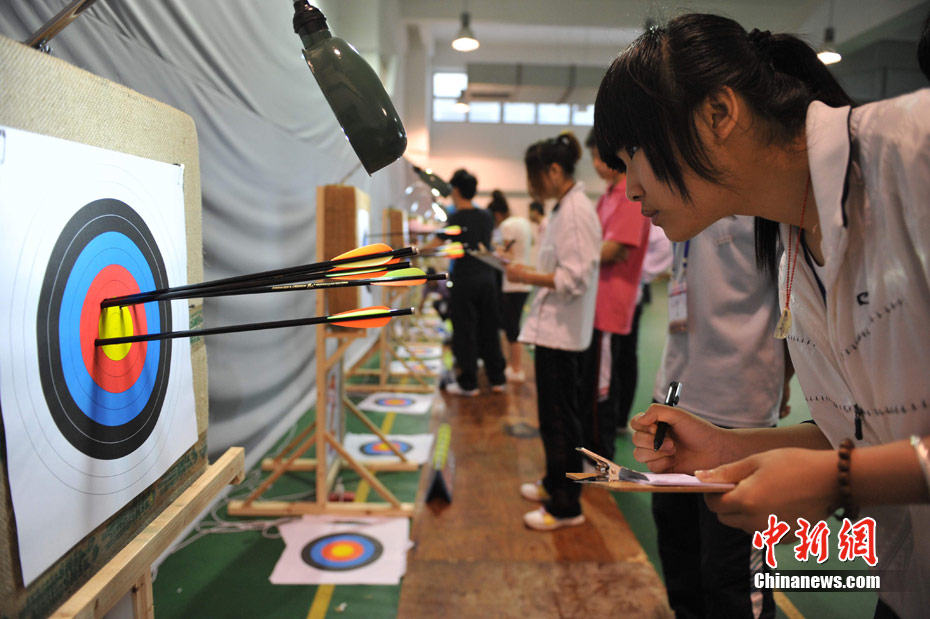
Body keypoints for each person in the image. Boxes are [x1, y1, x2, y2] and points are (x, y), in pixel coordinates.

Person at [594, 13, 930, 618]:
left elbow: (857, 456)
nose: (631, 189)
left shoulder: (915, 153)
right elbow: (869, 426)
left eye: (634, 153)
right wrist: (728, 446)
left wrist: (841, 479)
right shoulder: (791, 245)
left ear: (719, 114)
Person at [649, 217, 789, 619]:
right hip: (673, 395)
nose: (633, 190)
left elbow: (791, 301)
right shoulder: (675, 204)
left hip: (739, 409)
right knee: (677, 545)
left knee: (730, 566)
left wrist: (780, 381)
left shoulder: (762, 210)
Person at [505, 132, 601, 531]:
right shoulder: (563, 208)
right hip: (552, 333)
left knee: (562, 421)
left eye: (534, 177)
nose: (531, 186)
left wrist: (528, 275)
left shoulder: (576, 210)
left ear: (555, 171)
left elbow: (575, 277)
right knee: (551, 418)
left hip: (563, 336)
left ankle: (567, 507)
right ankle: (552, 483)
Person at [579, 130, 651, 462]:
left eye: (598, 156)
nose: (595, 164)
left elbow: (615, 249)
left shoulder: (628, 195)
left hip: (610, 307)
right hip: (594, 305)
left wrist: (577, 253)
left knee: (601, 391)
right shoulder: (608, 195)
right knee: (593, 385)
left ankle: (600, 459)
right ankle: (592, 450)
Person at [431, 169, 506, 396]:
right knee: (489, 328)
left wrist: (410, 248)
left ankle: (469, 383)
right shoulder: (485, 216)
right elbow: (488, 245)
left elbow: (434, 243)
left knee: (465, 330)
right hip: (487, 279)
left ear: (455, 190)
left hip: (464, 281)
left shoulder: (455, 217)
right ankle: (497, 379)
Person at [487, 191, 533, 383]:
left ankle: (516, 368)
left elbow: (509, 257)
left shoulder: (506, 226)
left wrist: (493, 253)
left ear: (497, 215)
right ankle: (515, 366)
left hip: (513, 283)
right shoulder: (522, 222)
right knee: (514, 326)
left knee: (512, 328)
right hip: (524, 282)